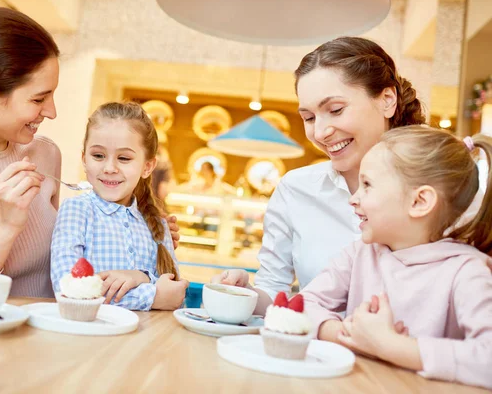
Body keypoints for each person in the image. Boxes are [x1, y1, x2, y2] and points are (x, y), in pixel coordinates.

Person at [0, 8, 180, 297]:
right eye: (39, 98)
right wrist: (4, 228)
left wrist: (142, 236)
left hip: (53, 335)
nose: (52, 112)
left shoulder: (44, 153)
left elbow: (67, 264)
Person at [212, 36, 429, 313]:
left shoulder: (438, 190)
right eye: (309, 118)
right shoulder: (296, 188)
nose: (321, 132)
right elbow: (274, 291)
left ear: (387, 100)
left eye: (335, 110)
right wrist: (245, 295)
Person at [300, 126, 492, 389]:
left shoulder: (467, 271)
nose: (354, 199)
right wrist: (352, 335)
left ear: (419, 201)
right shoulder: (360, 253)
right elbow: (302, 304)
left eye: (367, 185)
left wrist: (391, 346)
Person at [50, 102, 189, 311]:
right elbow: (68, 287)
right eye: (98, 155)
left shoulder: (158, 223)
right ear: (84, 159)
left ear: (147, 166)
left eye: (124, 158)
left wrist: (140, 276)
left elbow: (174, 292)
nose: (109, 168)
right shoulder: (76, 211)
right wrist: (153, 296)